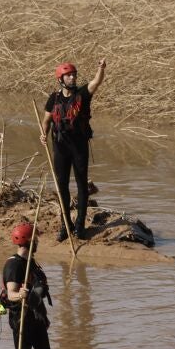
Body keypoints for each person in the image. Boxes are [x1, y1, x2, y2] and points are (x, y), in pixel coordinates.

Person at [40, 58, 106, 241]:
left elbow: (96, 82)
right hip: (60, 148)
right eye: (68, 75)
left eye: (74, 75)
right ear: (60, 78)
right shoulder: (53, 98)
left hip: (79, 148)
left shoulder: (82, 95)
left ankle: (80, 227)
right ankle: (65, 225)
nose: (72, 78)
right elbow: (46, 122)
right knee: (62, 187)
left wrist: (101, 69)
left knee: (82, 186)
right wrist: (43, 134)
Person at [1, 222, 52, 349]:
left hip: (36, 314)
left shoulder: (31, 262)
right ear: (28, 241)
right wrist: (20, 295)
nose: (37, 242)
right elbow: (11, 294)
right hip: (21, 316)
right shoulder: (14, 265)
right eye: (35, 239)